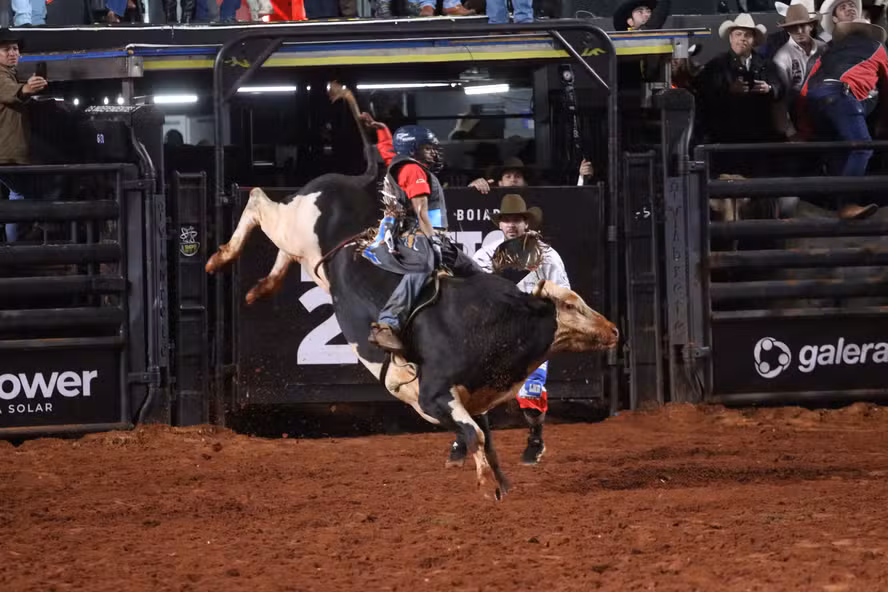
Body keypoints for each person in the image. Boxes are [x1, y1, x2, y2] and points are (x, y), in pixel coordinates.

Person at [446, 194, 570, 467]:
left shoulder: (547, 256)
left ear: (527, 223)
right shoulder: (486, 255)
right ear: (500, 224)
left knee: (532, 393)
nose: (511, 225)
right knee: (467, 388)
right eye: (506, 220)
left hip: (530, 338)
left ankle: (536, 436)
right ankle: (461, 436)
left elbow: (564, 295)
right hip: (492, 337)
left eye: (517, 220)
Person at [361, 115, 483, 354]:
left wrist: (383, 131)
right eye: (428, 149)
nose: (433, 154)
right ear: (413, 149)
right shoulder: (414, 171)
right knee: (424, 267)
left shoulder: (400, 162)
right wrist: (432, 242)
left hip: (424, 236)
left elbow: (388, 152)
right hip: (420, 235)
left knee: (473, 271)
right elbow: (421, 212)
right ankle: (388, 323)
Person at [798, 17, 888, 216]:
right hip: (841, 94)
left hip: (815, 99)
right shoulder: (877, 47)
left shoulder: (828, 51)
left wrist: (805, 129)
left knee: (838, 149)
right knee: (862, 147)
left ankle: (838, 206)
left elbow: (805, 88)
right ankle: (848, 203)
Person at [694, 14, 785, 175]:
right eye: (738, 34)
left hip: (759, 137)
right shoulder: (717, 65)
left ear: (754, 39)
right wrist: (728, 91)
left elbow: (780, 88)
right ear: (730, 38)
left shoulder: (766, 64)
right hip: (727, 137)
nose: (742, 39)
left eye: (747, 35)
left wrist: (769, 89)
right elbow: (703, 95)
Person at [0, 28, 47, 243]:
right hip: (7, 154)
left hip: (8, 153)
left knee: (18, 196)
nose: (12, 53)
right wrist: (26, 88)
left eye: (15, 49)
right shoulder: (1, 76)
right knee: (21, 197)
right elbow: (12, 92)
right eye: (6, 49)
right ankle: (15, 252)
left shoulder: (9, 74)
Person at [773, 4, 827, 139]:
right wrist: (790, 132)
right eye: (793, 27)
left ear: (811, 26)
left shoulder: (825, 48)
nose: (798, 30)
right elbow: (779, 98)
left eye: (803, 25)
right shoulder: (782, 57)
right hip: (798, 119)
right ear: (788, 31)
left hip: (826, 114)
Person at [468, 157, 594, 194]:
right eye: (508, 176)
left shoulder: (539, 197)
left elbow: (573, 202)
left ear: (526, 182)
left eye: (517, 176)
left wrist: (582, 178)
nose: (513, 180)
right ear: (499, 183)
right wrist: (472, 188)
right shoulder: (489, 197)